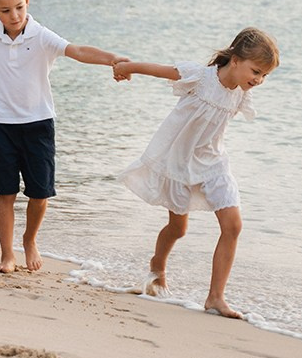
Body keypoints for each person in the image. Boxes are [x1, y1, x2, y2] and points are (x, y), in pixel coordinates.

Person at [0, 0, 126, 274]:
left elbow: (76, 51)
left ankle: (30, 240)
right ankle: (6, 254)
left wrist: (114, 58)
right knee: (5, 192)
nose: (14, 15)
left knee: (40, 193)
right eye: (5, 10)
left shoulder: (41, 36)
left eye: (19, 7)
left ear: (27, 1)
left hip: (38, 124)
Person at [113, 27, 280, 319]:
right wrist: (128, 67)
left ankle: (215, 297)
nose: (259, 80)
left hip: (214, 164)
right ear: (236, 59)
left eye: (265, 76)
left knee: (233, 226)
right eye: (256, 71)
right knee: (178, 229)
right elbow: (162, 71)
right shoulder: (201, 77)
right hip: (179, 163)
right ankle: (158, 265)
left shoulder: (240, 94)